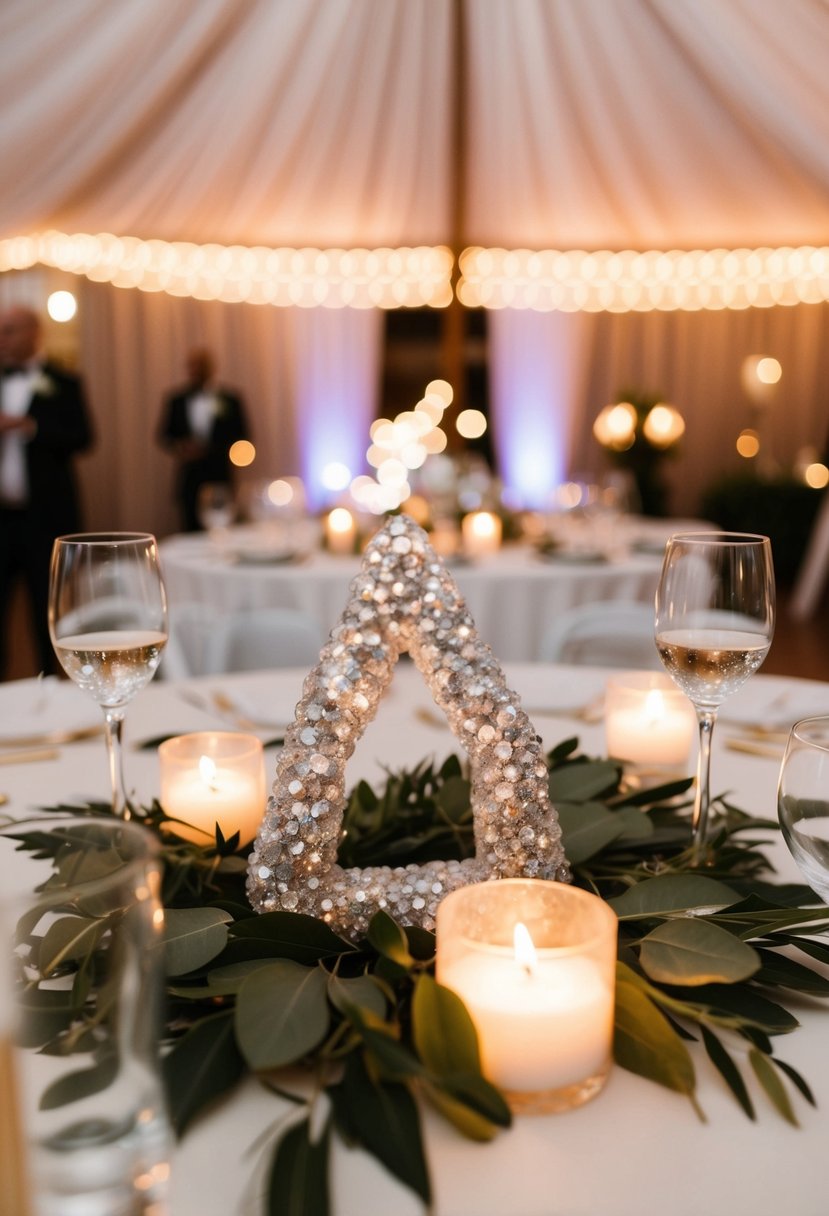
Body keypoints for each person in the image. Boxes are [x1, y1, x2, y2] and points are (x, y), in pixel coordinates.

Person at [0, 304, 94, 678]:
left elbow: (84, 438)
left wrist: (30, 426)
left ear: (35, 333)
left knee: (48, 613)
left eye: (9, 330)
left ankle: (50, 690)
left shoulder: (65, 381)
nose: (2, 338)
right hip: (2, 520)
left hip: (44, 518)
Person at [157, 348, 250, 532]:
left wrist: (212, 450)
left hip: (220, 474)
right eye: (192, 366)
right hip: (190, 476)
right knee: (189, 528)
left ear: (211, 368)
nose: (195, 370)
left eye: (200, 366)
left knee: (222, 528)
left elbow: (242, 436)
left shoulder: (229, 398)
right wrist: (181, 447)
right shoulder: (177, 399)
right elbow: (164, 435)